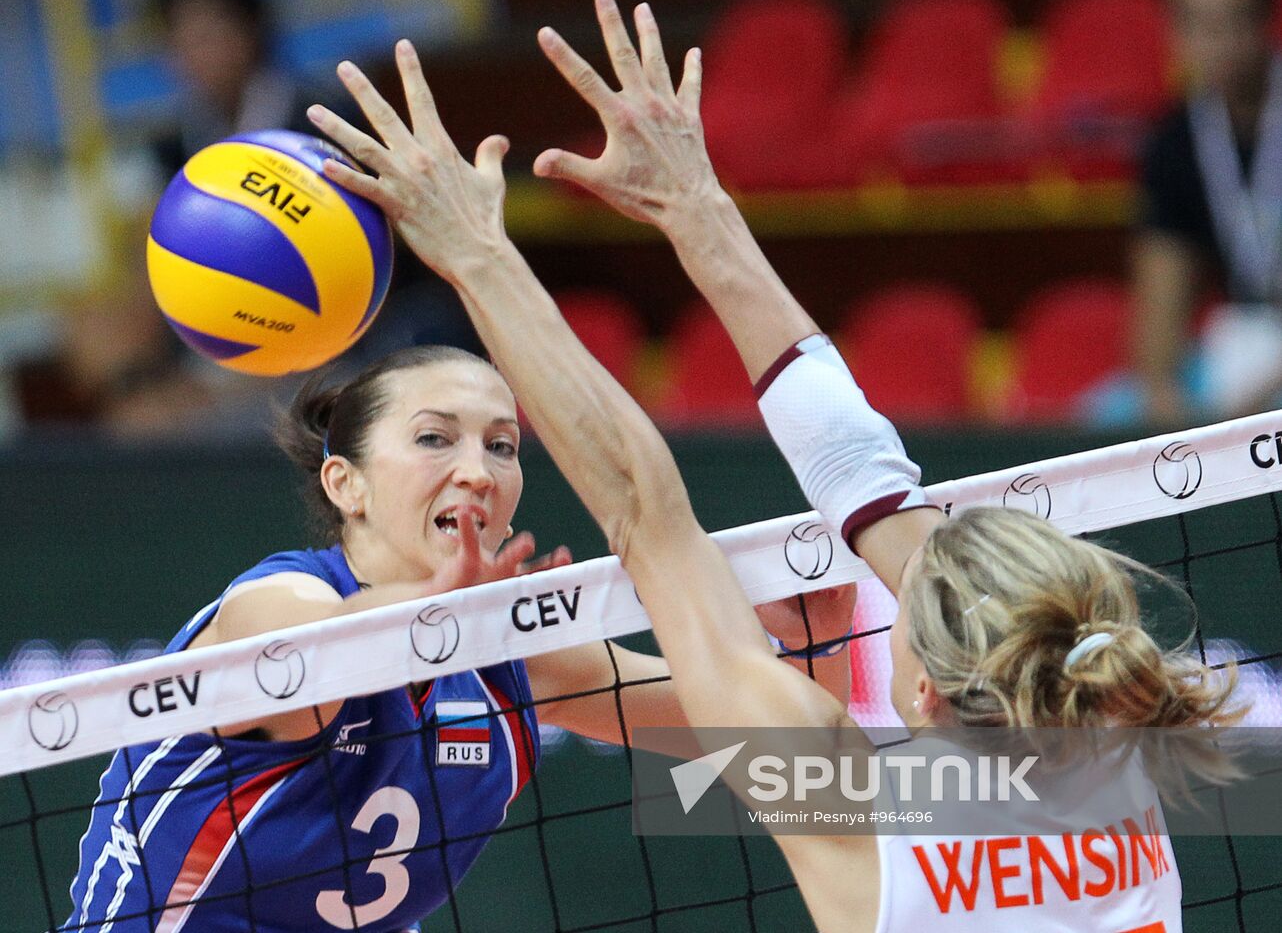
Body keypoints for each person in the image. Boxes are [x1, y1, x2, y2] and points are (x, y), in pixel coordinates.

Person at [305, 0, 1242, 931]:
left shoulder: (859, 804)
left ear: (922, 691)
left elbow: (658, 507)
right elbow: (868, 485)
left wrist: (482, 254)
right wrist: (690, 213)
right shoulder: (1112, 746)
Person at [65, 342, 854, 930]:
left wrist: (814, 646)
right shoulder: (279, 605)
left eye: (501, 445)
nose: (478, 470)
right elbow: (315, 651)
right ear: (348, 484)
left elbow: (796, 763)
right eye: (435, 438)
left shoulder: (517, 653)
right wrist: (425, 609)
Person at [1124, 0, 1282, 425]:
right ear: (1175, 30)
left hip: (1269, 377)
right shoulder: (1175, 144)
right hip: (1244, 345)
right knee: (1111, 411)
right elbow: (1159, 309)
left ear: (1265, 19)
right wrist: (1163, 400)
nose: (1220, 42)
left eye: (1235, 20)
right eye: (1199, 24)